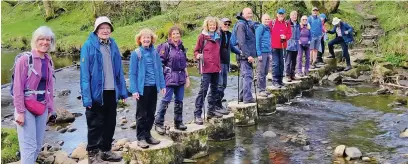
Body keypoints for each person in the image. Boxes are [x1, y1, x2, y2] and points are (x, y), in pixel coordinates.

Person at [80, 16, 128, 163]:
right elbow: (84, 75)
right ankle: (93, 154)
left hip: (111, 92)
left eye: (107, 28)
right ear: (96, 30)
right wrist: (86, 97)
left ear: (111, 30)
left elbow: (119, 70)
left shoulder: (113, 44)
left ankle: (106, 150)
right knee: (95, 124)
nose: (105, 30)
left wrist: (123, 91)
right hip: (96, 93)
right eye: (102, 28)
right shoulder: (88, 46)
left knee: (110, 123)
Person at [13, 26, 55, 164]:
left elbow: (50, 87)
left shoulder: (48, 60)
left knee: (37, 146)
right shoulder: (25, 60)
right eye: (41, 39)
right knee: (29, 148)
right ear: (35, 41)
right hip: (26, 108)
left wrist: (50, 109)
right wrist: (20, 111)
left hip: (42, 107)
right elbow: (17, 87)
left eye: (47, 39)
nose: (45, 42)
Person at [129, 28, 166, 148]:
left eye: (148, 38)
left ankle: (148, 135)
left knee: (151, 112)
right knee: (141, 114)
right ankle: (140, 138)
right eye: (144, 38)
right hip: (141, 88)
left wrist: (162, 85)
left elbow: (159, 71)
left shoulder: (154, 52)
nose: (146, 39)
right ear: (139, 39)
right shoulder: (136, 53)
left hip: (153, 87)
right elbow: (132, 73)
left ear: (151, 39)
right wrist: (134, 90)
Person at [154, 26, 189, 134]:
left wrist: (187, 78)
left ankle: (178, 122)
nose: (176, 35)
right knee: (166, 100)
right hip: (169, 77)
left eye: (177, 33)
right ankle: (158, 123)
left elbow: (184, 64)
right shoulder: (166, 47)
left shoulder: (182, 47)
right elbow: (160, 63)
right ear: (170, 36)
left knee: (179, 100)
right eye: (173, 34)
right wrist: (161, 78)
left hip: (181, 77)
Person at [194, 16, 223, 125]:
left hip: (216, 67)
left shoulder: (218, 36)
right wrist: (198, 56)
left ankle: (211, 110)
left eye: (214, 25)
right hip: (205, 68)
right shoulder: (202, 37)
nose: (212, 26)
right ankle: (197, 114)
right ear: (207, 26)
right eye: (210, 25)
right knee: (203, 90)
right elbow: (196, 51)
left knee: (214, 89)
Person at [216, 18, 241, 110]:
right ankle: (216, 105)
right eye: (225, 24)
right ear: (220, 25)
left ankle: (219, 104)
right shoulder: (218, 35)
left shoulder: (227, 35)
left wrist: (240, 53)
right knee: (219, 84)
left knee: (224, 84)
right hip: (219, 63)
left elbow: (231, 47)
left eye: (228, 24)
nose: (226, 25)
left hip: (226, 63)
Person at [236, 8, 257, 103]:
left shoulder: (247, 24)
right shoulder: (241, 25)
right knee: (248, 76)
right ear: (243, 14)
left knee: (244, 76)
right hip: (244, 56)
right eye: (248, 13)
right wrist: (248, 55)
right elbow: (241, 42)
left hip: (247, 55)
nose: (250, 15)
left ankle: (241, 96)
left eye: (251, 13)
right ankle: (247, 98)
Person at [269, 8, 292, 88]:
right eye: (279, 14)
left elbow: (289, 34)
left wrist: (285, 37)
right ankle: (275, 81)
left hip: (283, 46)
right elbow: (268, 32)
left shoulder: (287, 23)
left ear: (284, 15)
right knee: (275, 64)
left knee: (282, 64)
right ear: (277, 14)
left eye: (282, 14)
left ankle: (280, 80)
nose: (281, 15)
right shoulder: (272, 23)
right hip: (274, 46)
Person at [255, 14, 272, 97]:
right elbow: (257, 41)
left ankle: (264, 88)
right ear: (262, 20)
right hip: (261, 53)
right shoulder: (260, 28)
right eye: (265, 19)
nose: (267, 21)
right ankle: (260, 90)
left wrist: (270, 53)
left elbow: (269, 41)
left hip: (267, 52)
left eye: (268, 19)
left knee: (265, 72)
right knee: (260, 72)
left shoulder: (268, 29)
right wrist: (259, 53)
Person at [285, 11, 300, 82]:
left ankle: (292, 74)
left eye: (295, 15)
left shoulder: (298, 24)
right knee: (288, 61)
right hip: (289, 44)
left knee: (294, 61)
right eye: (293, 15)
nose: (295, 16)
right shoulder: (287, 23)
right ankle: (287, 75)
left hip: (296, 45)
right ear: (290, 16)